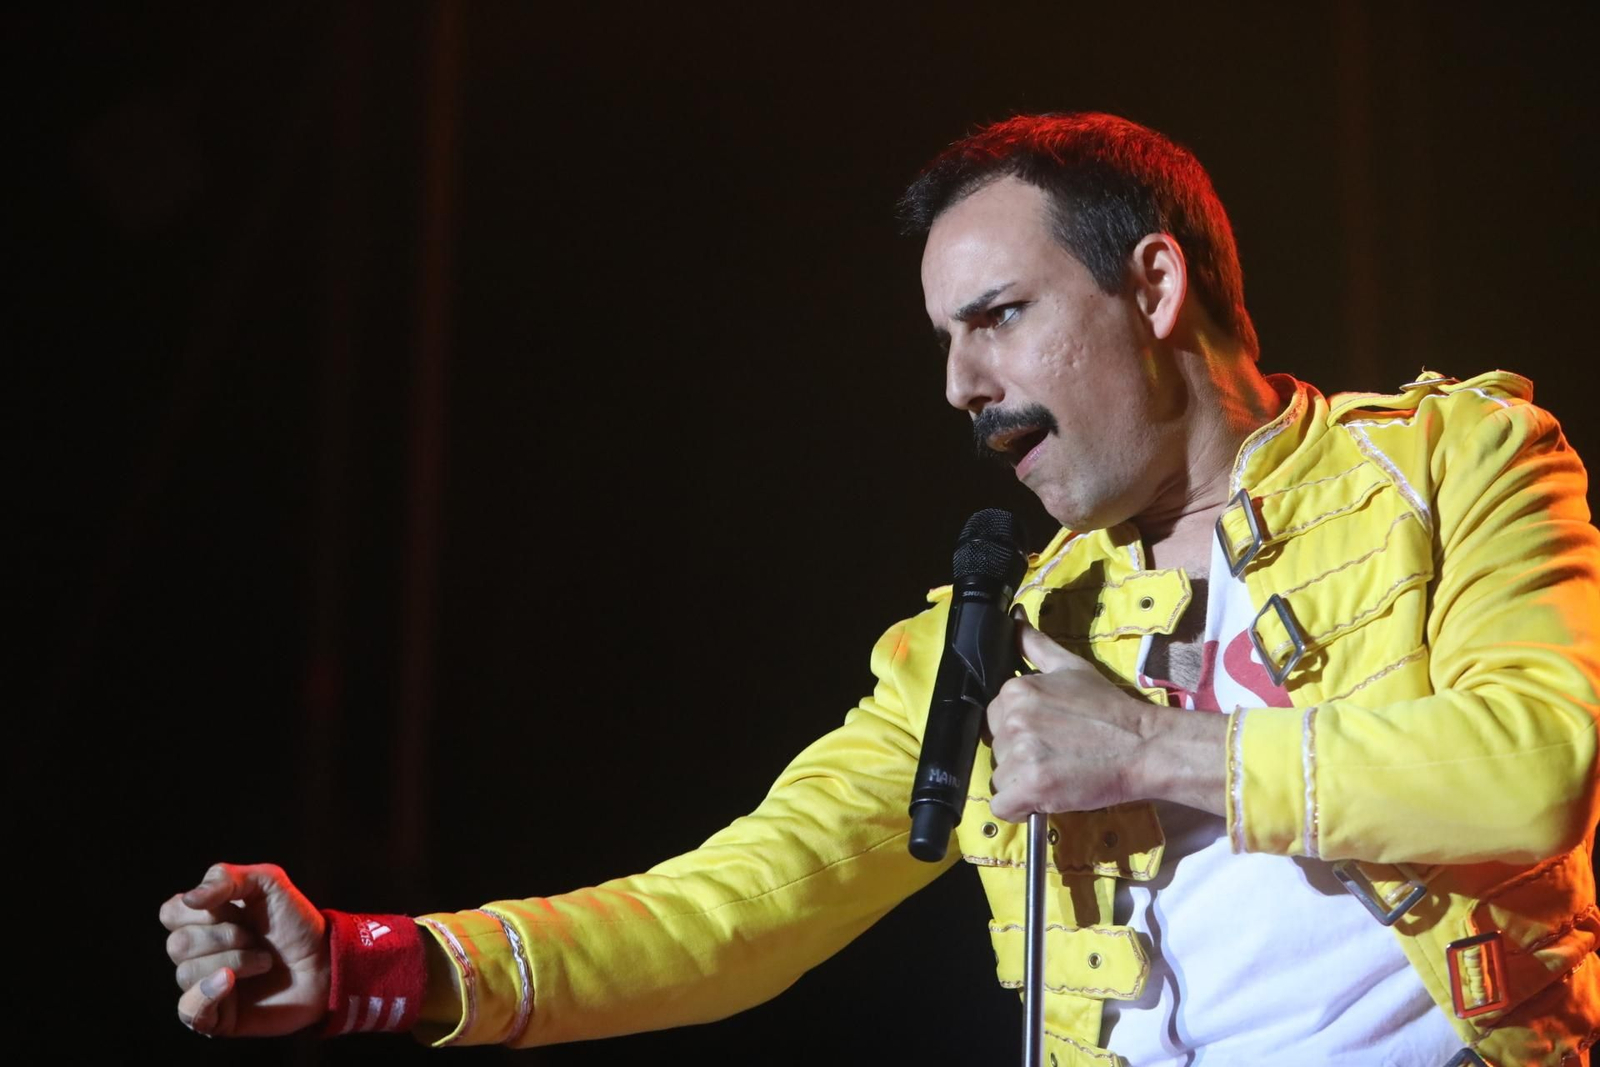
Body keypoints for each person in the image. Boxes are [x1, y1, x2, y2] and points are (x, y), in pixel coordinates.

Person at [161, 113, 1600, 1066]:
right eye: (945, 339)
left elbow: (1536, 769)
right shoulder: (992, 644)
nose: (962, 386)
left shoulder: (1454, 464)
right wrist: (376, 964)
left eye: (999, 319)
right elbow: (736, 908)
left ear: (1154, 286)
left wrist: (1161, 750)